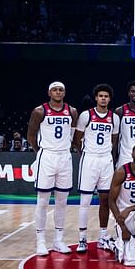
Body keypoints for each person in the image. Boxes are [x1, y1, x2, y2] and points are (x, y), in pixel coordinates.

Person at [27, 81, 78, 256]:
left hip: (64, 156)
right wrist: (40, 152)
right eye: (55, 90)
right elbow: (31, 136)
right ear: (49, 92)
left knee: (62, 201)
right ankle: (41, 241)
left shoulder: (72, 111)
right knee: (42, 201)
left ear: (64, 93)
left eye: (61, 90)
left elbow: (72, 135)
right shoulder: (39, 111)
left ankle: (59, 240)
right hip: (46, 155)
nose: (58, 92)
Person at [73, 84, 120, 252]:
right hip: (90, 159)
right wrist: (85, 152)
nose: (103, 98)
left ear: (109, 99)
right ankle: (82, 238)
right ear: (96, 98)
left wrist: (107, 156)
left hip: (106, 160)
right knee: (85, 201)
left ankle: (102, 236)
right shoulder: (86, 115)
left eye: (106, 96)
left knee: (105, 200)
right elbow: (77, 138)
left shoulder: (114, 118)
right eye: (100, 96)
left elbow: (114, 141)